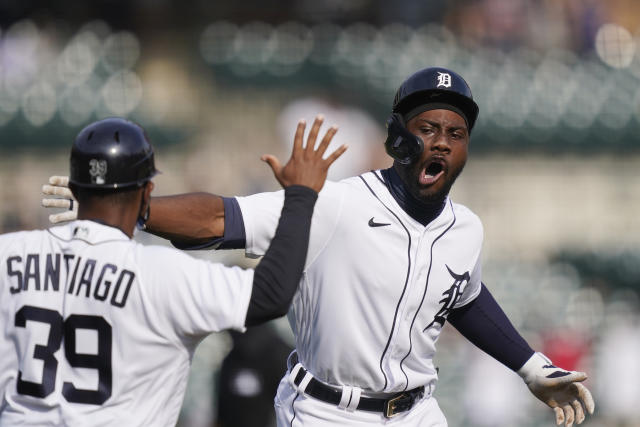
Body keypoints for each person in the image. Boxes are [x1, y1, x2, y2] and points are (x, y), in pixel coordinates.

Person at [42, 68, 595, 427]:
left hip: (418, 413)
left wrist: (529, 366)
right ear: (396, 137)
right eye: (428, 129)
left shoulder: (465, 228)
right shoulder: (334, 205)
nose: (442, 143)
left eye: (456, 133)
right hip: (325, 412)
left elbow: (466, 297)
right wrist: (117, 205)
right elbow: (219, 218)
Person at [3, 116, 346, 426]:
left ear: (73, 189)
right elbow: (269, 296)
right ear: (148, 190)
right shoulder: (160, 273)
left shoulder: (9, 254)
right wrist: (300, 196)